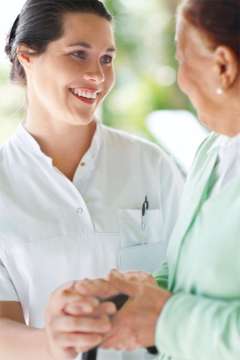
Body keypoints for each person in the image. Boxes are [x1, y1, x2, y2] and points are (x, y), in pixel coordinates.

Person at [0, 0, 184, 359]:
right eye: (78, 54)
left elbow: (191, 284)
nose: (98, 77)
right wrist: (53, 343)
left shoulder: (151, 164)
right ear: (27, 56)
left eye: (106, 59)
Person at [66, 0, 240, 359]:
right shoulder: (213, 151)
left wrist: (164, 319)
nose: (180, 78)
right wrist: (141, 292)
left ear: (223, 66)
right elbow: (188, 268)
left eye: (182, 59)